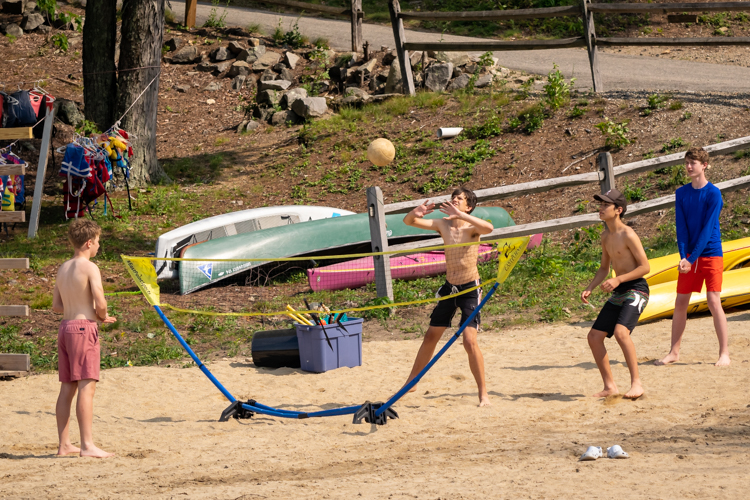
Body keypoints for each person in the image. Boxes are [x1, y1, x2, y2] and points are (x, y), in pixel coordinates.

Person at [402, 187, 494, 406]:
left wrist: (461, 216)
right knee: (431, 336)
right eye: (454, 198)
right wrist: (417, 212)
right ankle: (411, 382)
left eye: (459, 199)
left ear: (468, 206)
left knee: (469, 342)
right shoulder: (442, 224)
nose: (454, 200)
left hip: (470, 289)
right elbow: (408, 222)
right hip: (450, 287)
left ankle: (483, 394)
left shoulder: (472, 227)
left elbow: (489, 228)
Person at [656, 147, 730, 367]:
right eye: (687, 162)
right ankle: (674, 352)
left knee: (713, 301)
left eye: (693, 162)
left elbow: (708, 230)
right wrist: (683, 257)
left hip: (710, 253)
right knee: (680, 302)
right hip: (688, 256)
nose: (689, 166)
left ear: (704, 165)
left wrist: (693, 257)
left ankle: (724, 353)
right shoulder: (681, 193)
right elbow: (681, 228)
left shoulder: (713, 193)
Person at [52, 219, 116, 458]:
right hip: (82, 329)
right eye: (98, 241)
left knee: (67, 387)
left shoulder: (62, 268)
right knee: (86, 387)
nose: (98, 246)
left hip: (65, 327)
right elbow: (100, 301)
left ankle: (64, 444)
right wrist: (101, 316)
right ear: (89, 242)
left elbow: (57, 306)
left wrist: (79, 306)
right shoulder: (90, 267)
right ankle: (87, 445)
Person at [581, 189, 650, 399]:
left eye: (605, 206)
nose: (600, 209)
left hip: (636, 288)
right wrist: (590, 287)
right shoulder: (605, 236)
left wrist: (619, 279)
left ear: (618, 210)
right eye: (600, 205)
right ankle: (610, 386)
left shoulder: (628, 234)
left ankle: (636, 384)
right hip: (620, 291)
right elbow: (604, 268)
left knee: (621, 333)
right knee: (593, 337)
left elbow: (645, 267)